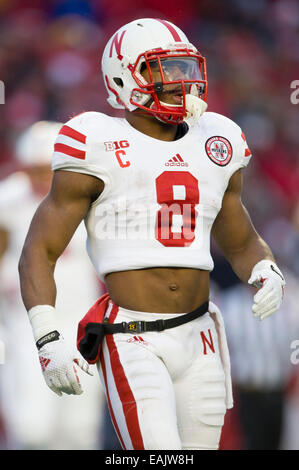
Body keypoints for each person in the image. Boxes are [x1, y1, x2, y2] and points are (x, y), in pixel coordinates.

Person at [18, 18, 286, 451]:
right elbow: (40, 249)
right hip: (131, 335)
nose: (181, 83)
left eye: (184, 69)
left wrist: (265, 267)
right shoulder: (95, 141)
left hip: (200, 333)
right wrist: (47, 334)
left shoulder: (217, 140)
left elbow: (239, 238)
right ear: (124, 78)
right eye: (164, 70)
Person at [0, 121, 105, 449]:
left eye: (47, 170)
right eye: (33, 170)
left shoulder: (91, 196)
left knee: (79, 428)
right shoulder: (9, 197)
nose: (39, 178)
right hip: (26, 323)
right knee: (32, 427)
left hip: (80, 321)